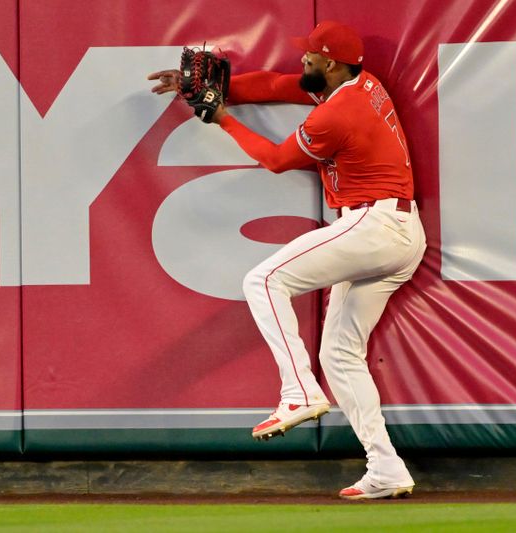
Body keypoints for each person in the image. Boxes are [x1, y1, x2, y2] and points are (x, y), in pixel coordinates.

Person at [148, 20, 426, 500]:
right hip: (400, 232)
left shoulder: (337, 114)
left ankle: (299, 393)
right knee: (339, 355)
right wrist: (219, 90)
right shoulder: (361, 83)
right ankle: (386, 467)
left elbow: (276, 160)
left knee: (263, 280)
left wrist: (222, 119)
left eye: (311, 56)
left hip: (374, 224)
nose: (303, 60)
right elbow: (278, 86)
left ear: (332, 64)